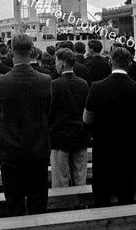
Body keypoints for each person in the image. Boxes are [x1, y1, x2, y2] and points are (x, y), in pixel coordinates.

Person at [0, 34, 51, 216]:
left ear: (10, 52)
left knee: (14, 203)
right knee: (38, 202)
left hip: (10, 149)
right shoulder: (45, 80)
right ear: (32, 51)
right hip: (38, 147)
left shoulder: (0, 81)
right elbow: (46, 108)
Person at [83, 46, 136, 207]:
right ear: (130, 64)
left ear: (111, 62)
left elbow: (87, 118)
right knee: (127, 201)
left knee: (102, 201)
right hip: (129, 154)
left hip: (104, 153)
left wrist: (96, 133)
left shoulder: (97, 87)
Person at [48, 48, 89, 188]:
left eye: (56, 62)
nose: (56, 65)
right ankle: (82, 206)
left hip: (60, 137)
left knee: (60, 180)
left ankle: (62, 208)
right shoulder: (83, 84)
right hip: (80, 136)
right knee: (80, 178)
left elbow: (50, 112)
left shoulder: (55, 85)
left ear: (62, 63)